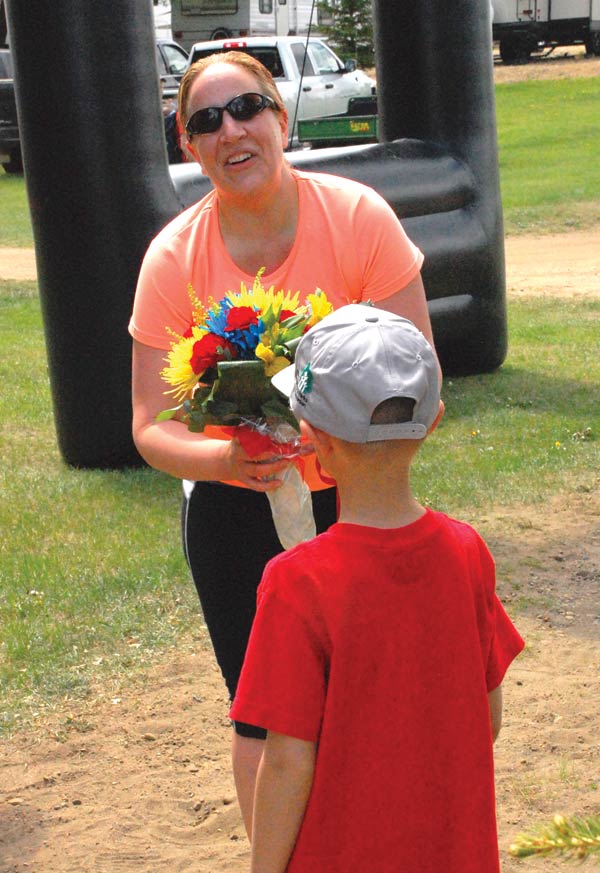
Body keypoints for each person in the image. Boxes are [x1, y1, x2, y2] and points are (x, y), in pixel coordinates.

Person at [128, 50, 440, 834]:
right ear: (188, 144)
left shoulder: (359, 216)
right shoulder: (173, 258)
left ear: (282, 118)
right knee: (265, 716)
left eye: (248, 109)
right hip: (236, 512)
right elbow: (149, 426)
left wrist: (347, 451)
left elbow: (422, 385)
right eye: (207, 120)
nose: (231, 129)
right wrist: (231, 460)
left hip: (360, 496)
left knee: (372, 700)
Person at [230, 305, 525, 873]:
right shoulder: (466, 552)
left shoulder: (297, 583)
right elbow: (487, 716)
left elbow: (288, 759)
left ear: (315, 441)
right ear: (434, 420)